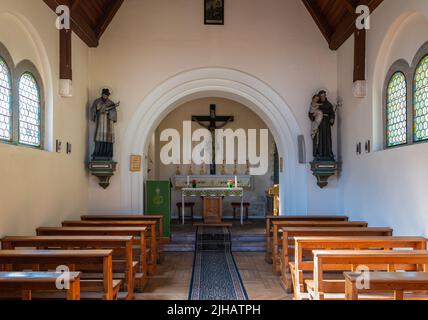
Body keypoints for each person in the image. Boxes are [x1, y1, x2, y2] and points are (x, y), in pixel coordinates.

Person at [90, 88, 120, 160]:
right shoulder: (97, 101)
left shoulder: (111, 103)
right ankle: (97, 153)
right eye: (104, 95)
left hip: (108, 123)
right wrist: (97, 110)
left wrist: (109, 112)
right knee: (99, 137)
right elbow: (93, 110)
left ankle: (108, 154)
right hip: (100, 122)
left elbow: (114, 114)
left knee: (108, 138)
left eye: (106, 95)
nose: (105, 96)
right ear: (102, 94)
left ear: (108, 95)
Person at [308, 90, 335, 161]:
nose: (323, 97)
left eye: (324, 95)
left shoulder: (329, 104)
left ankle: (328, 153)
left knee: (327, 138)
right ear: (320, 97)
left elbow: (332, 112)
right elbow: (311, 112)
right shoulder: (317, 104)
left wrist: (332, 118)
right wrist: (313, 116)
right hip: (319, 124)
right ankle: (319, 153)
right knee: (319, 138)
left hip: (326, 123)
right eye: (322, 96)